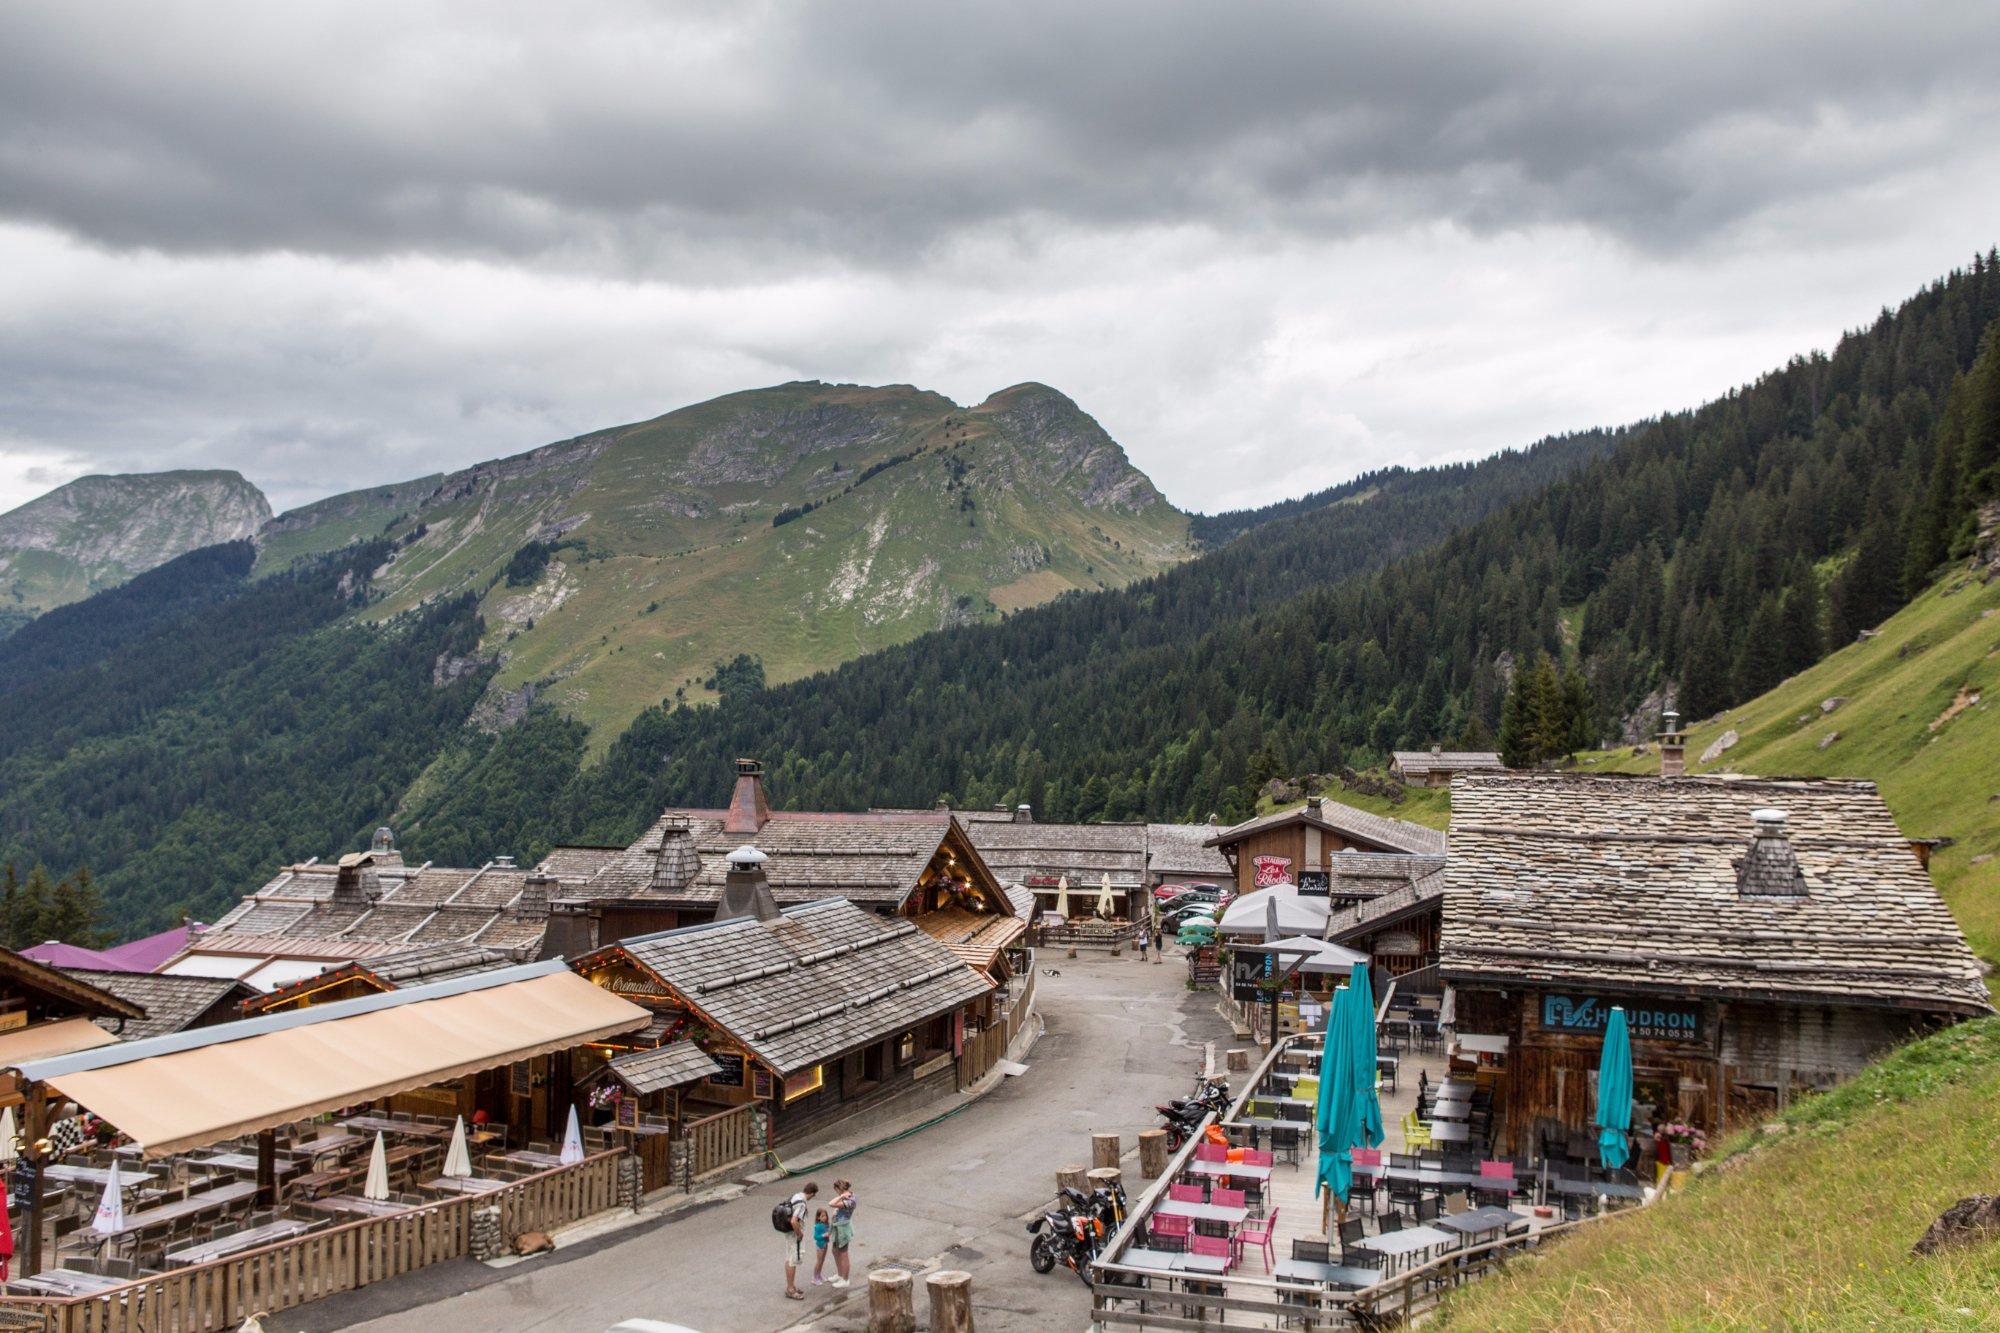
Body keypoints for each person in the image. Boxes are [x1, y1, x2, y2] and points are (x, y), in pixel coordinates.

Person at [781, 1180, 818, 1300]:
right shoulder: (802, 1203)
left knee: (788, 1259)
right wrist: (800, 1234)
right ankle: (791, 1290)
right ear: (812, 1193)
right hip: (794, 1235)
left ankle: (791, 1286)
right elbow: (793, 1220)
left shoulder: (796, 1195)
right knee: (793, 1260)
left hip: (788, 1233)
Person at [826, 1177, 858, 1288]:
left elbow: (831, 1203)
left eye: (836, 1190)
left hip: (843, 1228)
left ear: (839, 1189)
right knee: (835, 1251)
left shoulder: (849, 1200)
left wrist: (840, 1197)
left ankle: (845, 1279)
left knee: (844, 1254)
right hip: (837, 1226)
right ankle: (840, 1275)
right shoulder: (848, 1196)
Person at [809, 1207, 831, 1284]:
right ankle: (814, 1278)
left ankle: (819, 1275)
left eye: (825, 1216)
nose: (824, 1218)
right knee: (819, 1261)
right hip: (820, 1246)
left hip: (825, 1244)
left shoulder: (826, 1225)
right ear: (818, 1217)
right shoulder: (818, 1226)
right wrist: (823, 1235)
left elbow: (829, 1232)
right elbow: (815, 1237)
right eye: (822, 1216)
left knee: (822, 1260)